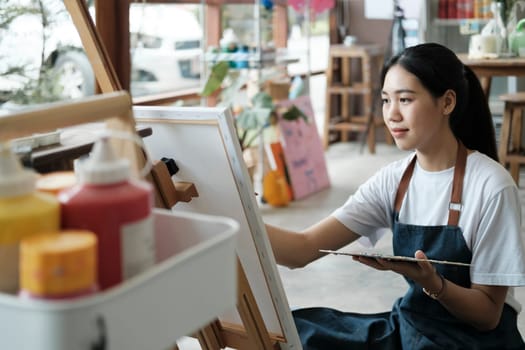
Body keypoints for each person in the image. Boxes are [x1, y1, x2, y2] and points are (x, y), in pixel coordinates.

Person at [265, 42, 525, 349]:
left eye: (405, 99)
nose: (392, 114)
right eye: (386, 100)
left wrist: (435, 284)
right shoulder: (394, 180)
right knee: (295, 330)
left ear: (447, 102)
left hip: (473, 342)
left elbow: (487, 316)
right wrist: (236, 218)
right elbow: (303, 249)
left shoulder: (491, 186)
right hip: (412, 329)